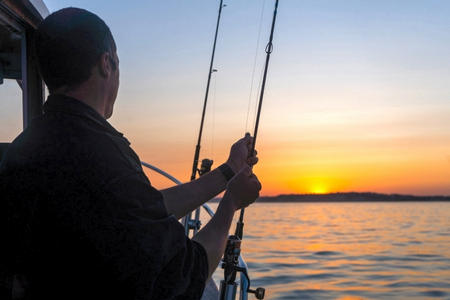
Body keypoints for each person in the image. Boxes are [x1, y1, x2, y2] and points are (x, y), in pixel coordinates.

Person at [0, 7, 261, 300]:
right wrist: (231, 204)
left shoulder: (27, 147)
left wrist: (227, 172)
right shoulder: (99, 157)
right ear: (106, 63)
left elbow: (143, 209)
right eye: (118, 64)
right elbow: (184, 274)